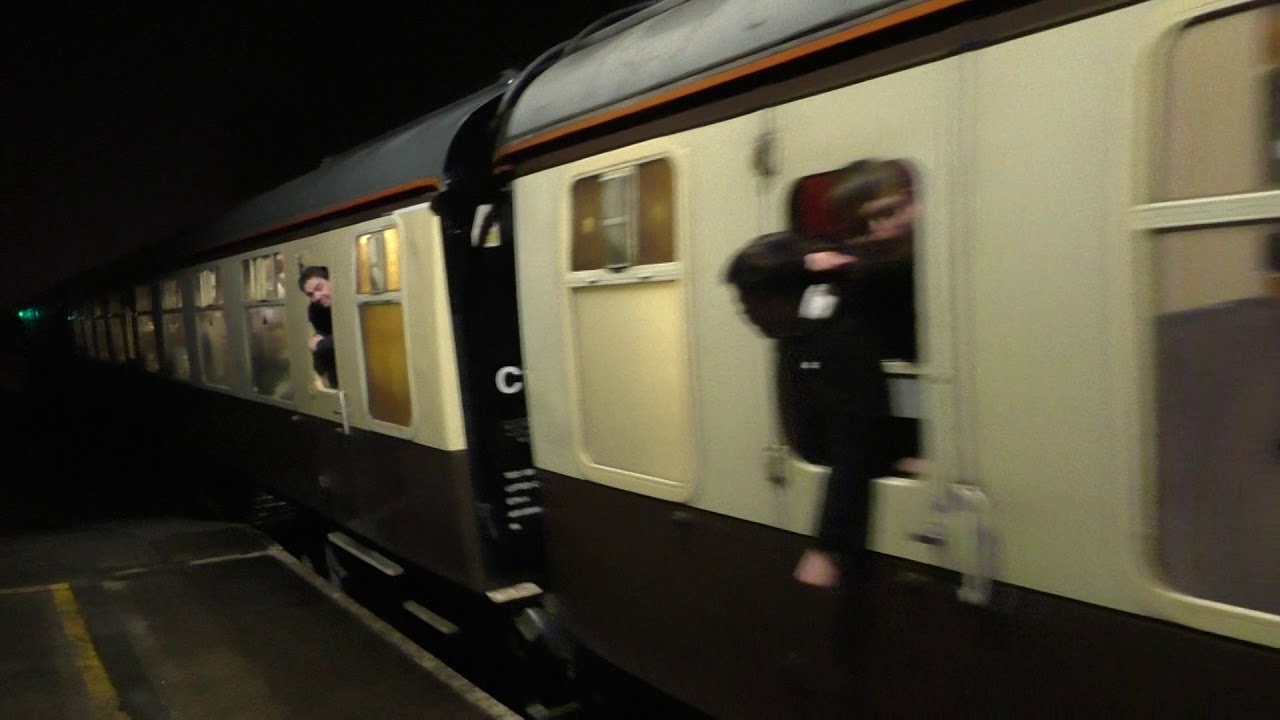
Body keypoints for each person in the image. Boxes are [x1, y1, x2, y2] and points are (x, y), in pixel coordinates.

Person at [299, 266, 338, 388]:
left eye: (319, 288)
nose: (316, 296)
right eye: (311, 294)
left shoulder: (350, 299)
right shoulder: (315, 309)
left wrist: (321, 344)